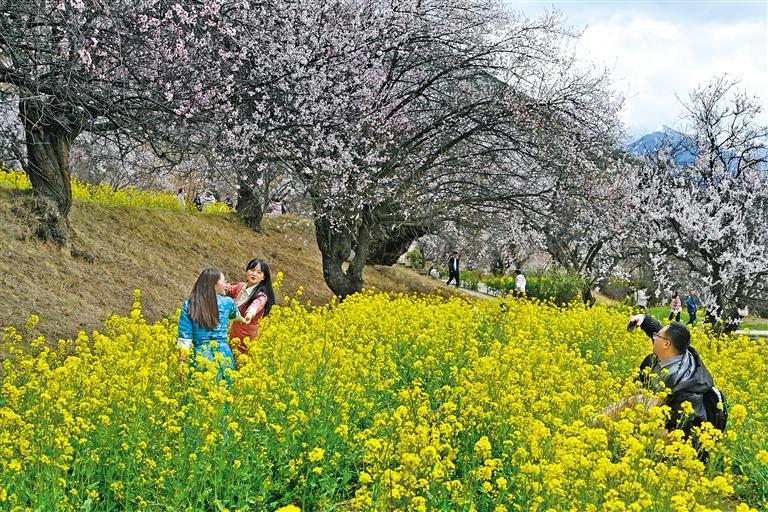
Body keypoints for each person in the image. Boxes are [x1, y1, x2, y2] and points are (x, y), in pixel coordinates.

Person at [627, 313, 716, 437]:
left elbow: (680, 429)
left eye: (656, 336)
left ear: (666, 345)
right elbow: (661, 333)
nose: (654, 338)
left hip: (673, 434)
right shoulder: (675, 350)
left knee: (632, 403)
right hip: (654, 415)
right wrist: (644, 318)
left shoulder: (686, 385)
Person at [177, 268, 246, 381]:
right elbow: (237, 317)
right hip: (225, 357)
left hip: (201, 357)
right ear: (214, 284)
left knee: (202, 389)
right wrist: (245, 320)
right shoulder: (228, 302)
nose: (226, 284)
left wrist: (182, 363)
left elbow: (185, 338)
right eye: (224, 281)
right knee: (226, 390)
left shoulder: (189, 304)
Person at [226, 258, 276, 356]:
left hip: (246, 337)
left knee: (241, 360)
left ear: (263, 277)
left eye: (259, 272)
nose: (254, 274)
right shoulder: (240, 286)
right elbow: (230, 290)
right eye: (252, 270)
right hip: (233, 331)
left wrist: (249, 314)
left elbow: (256, 305)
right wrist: (224, 287)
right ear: (246, 272)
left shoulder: (261, 295)